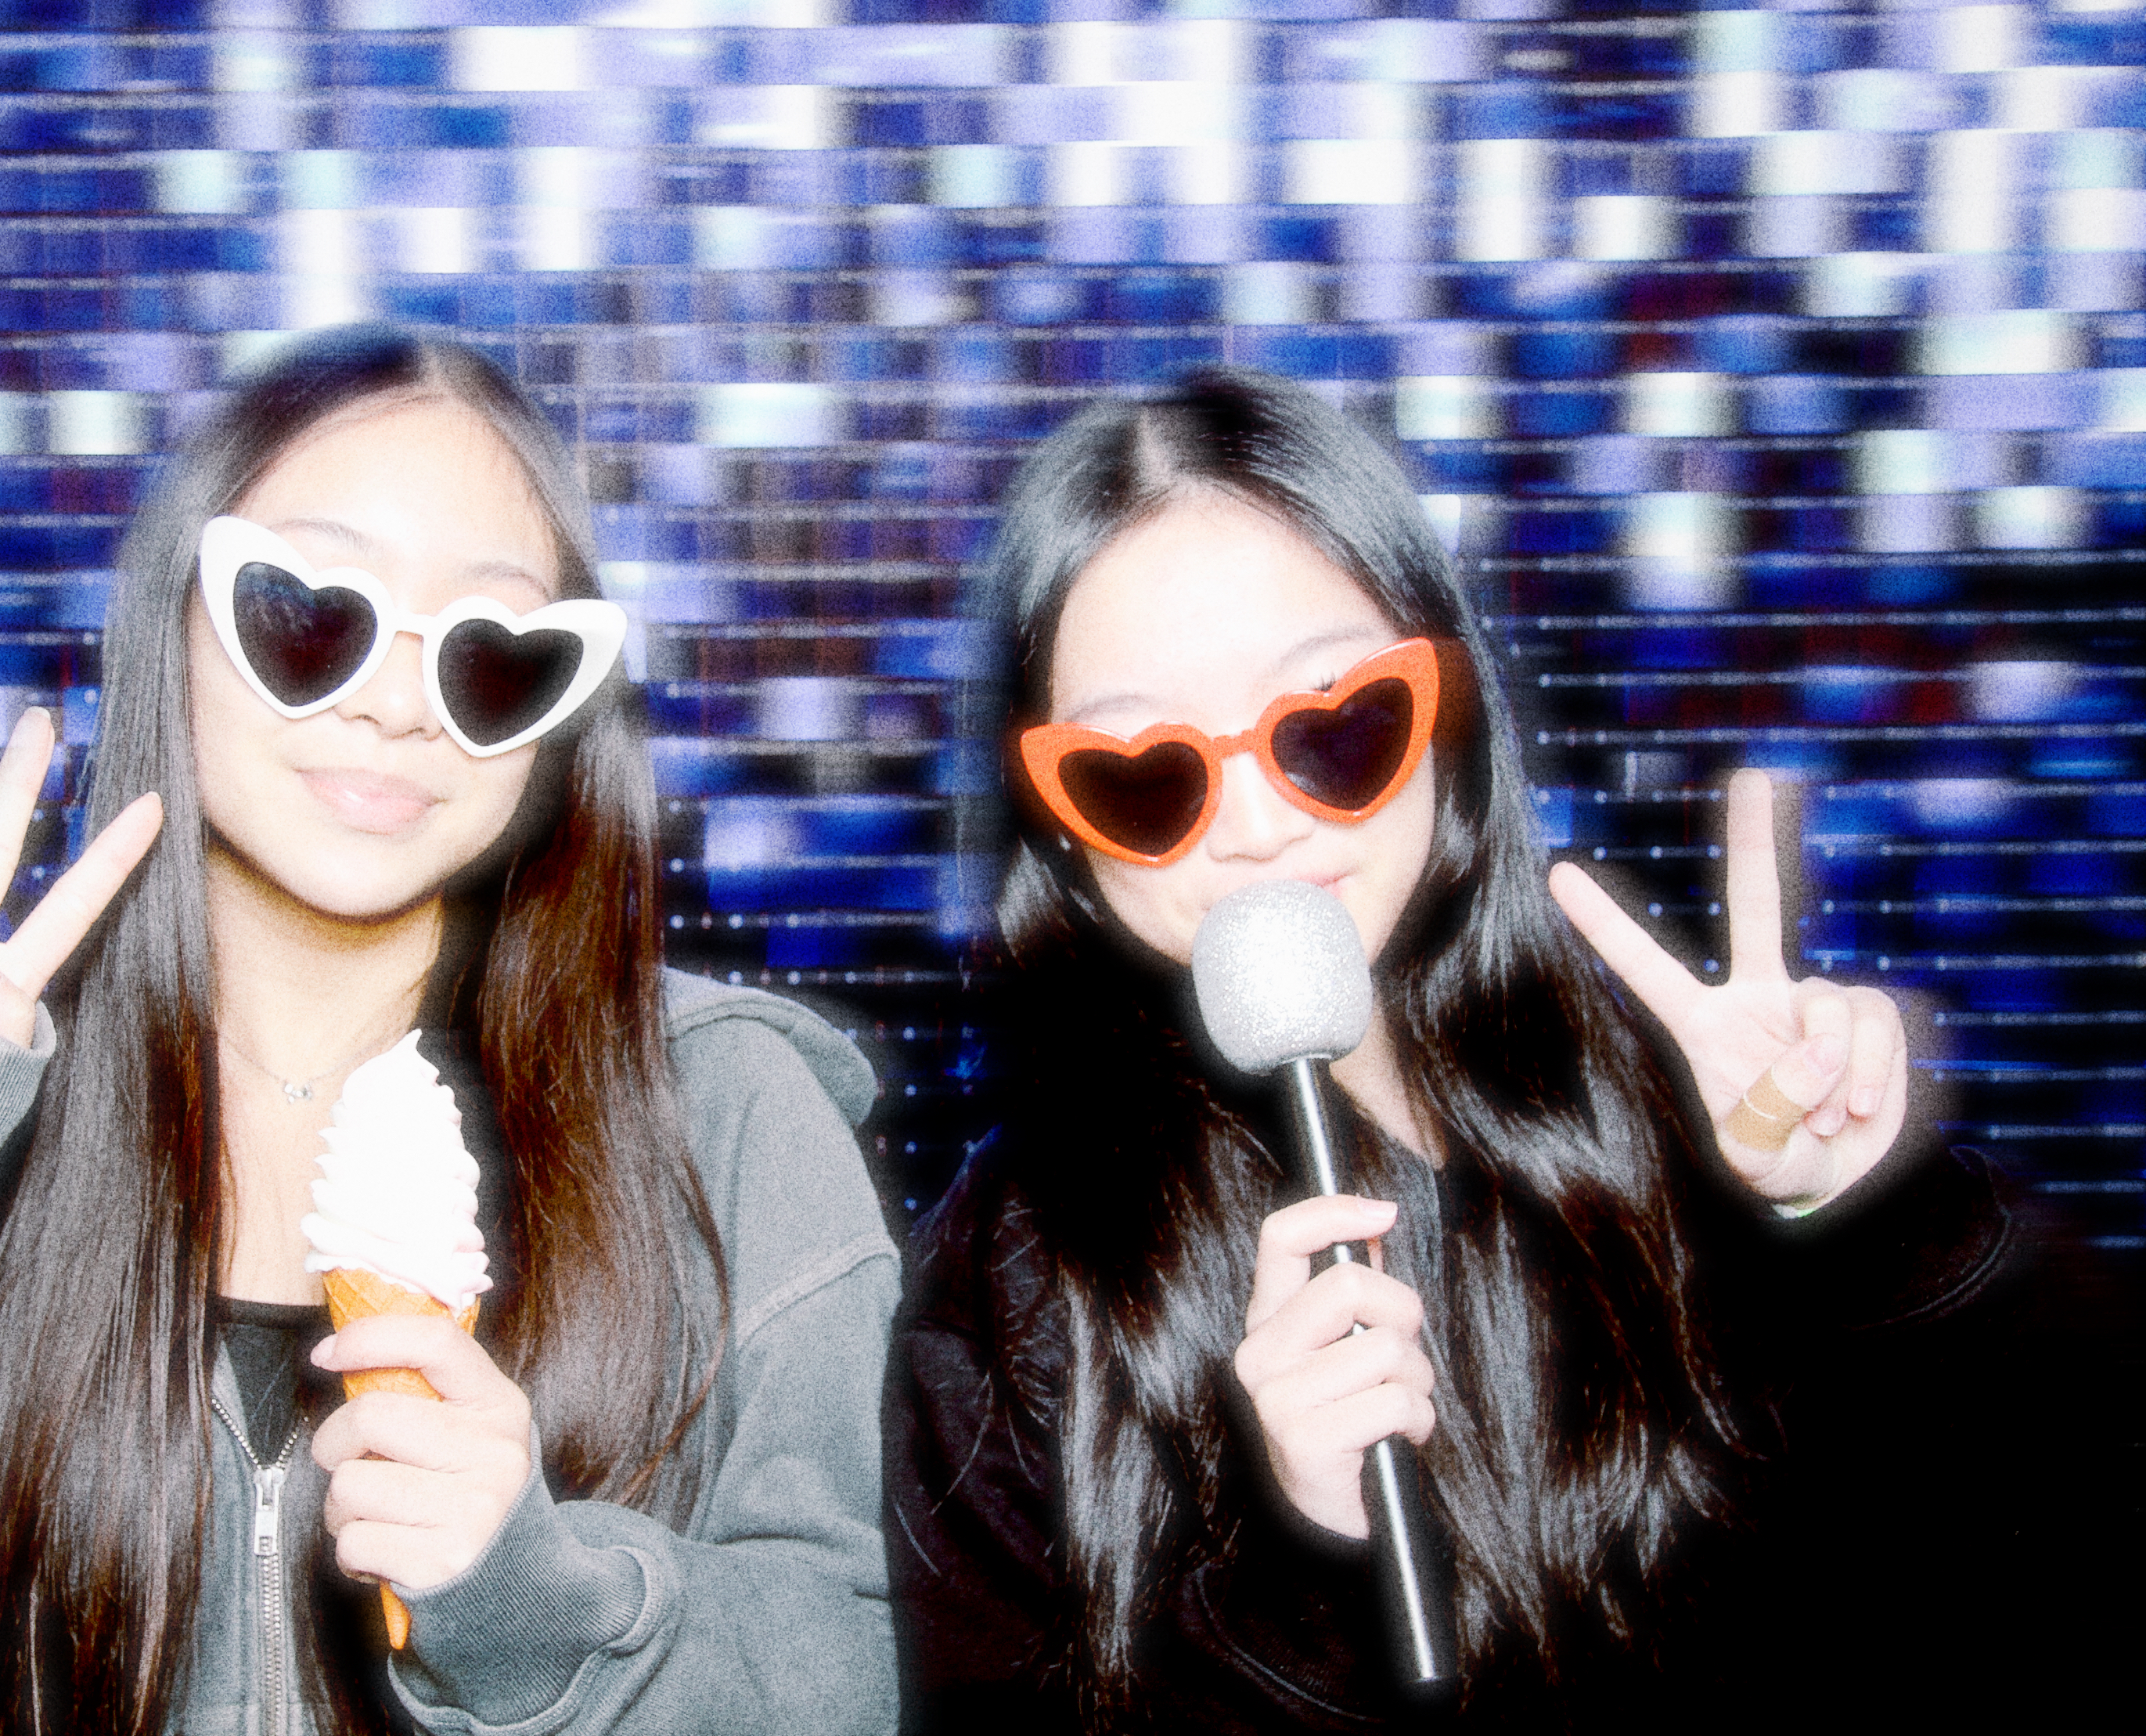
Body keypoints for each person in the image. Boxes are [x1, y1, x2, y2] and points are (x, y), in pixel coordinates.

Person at [0, 327, 901, 1736]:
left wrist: (541, 1606)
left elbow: (846, 1677)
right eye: (312, 613)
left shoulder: (725, 1121)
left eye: (492, 652)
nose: (398, 703)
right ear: (176, 619)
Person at [885, 368, 2082, 1731]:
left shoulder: (1683, 1099)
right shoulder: (1007, 1289)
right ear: (1061, 828)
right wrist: (1306, 1564)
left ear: (1443, 711)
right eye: (1145, 777)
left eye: (1335, 726)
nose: (1260, 826)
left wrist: (1865, 1215)